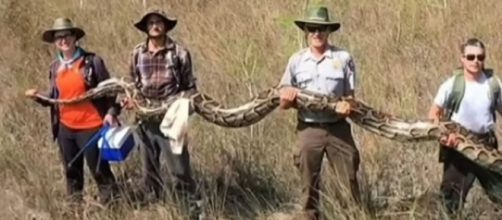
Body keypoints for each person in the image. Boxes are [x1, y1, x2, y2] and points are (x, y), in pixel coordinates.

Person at [25, 18, 120, 204]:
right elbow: (55, 98)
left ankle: (113, 209)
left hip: (92, 126)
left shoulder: (92, 61)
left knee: (99, 170)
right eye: (58, 37)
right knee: (71, 171)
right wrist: (38, 97)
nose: (63, 40)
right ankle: (74, 210)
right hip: (65, 129)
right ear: (54, 41)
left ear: (75, 37)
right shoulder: (55, 67)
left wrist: (111, 113)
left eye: (67, 35)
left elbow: (111, 90)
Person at [279, 6, 361, 220]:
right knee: (309, 186)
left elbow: (351, 97)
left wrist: (348, 105)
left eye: (321, 28)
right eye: (312, 28)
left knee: (349, 182)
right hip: (309, 128)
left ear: (328, 31)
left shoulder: (343, 58)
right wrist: (285, 99)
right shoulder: (296, 60)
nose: (317, 33)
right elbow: (282, 101)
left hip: (338, 128)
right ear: (306, 30)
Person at [121, 8, 203, 219]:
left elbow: (190, 88)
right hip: (144, 119)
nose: (155, 25)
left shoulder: (179, 53)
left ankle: (191, 211)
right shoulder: (137, 52)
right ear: (146, 28)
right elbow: (130, 82)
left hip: (172, 119)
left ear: (165, 26)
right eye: (151, 23)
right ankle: (156, 210)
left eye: (159, 22)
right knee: (149, 170)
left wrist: (176, 104)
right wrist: (130, 99)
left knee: (180, 169)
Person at [428, 38, 502, 215]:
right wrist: (445, 135)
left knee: (500, 193)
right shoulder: (452, 84)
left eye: (480, 57)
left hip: (486, 145)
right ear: (462, 59)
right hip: (458, 146)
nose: (476, 61)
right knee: (450, 202)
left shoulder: (494, 84)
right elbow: (433, 114)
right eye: (470, 57)